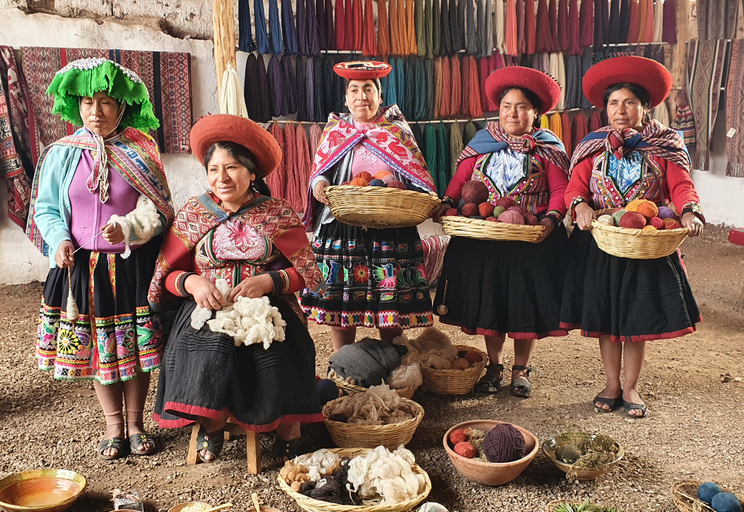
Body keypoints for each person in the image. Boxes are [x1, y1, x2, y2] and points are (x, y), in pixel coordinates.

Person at [149, 114, 325, 462]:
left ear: (252, 173)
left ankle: (288, 428)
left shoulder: (276, 213)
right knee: (208, 346)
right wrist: (193, 282)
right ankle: (211, 426)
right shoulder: (194, 213)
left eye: (231, 168)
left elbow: (307, 272)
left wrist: (269, 281)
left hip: (268, 305)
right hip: (206, 306)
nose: (222, 178)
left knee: (283, 347)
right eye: (214, 169)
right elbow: (165, 275)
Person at [26, 58, 174, 459]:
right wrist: (57, 238)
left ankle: (138, 424)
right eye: (88, 101)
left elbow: (158, 209)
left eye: (106, 102)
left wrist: (127, 228)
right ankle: (113, 427)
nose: (96, 111)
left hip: (128, 266)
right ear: (76, 104)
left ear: (122, 105)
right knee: (100, 348)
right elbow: (45, 209)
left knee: (134, 349)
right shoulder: (61, 153)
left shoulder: (141, 150)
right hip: (80, 269)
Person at [561, 56, 705, 418]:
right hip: (603, 244)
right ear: (604, 108)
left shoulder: (665, 144)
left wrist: (689, 210)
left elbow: (682, 186)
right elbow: (574, 187)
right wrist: (579, 206)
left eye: (628, 102)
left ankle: (631, 387)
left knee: (636, 320)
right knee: (607, 319)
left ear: (646, 107)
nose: (619, 110)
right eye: (613, 103)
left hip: (645, 246)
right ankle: (610, 384)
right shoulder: (592, 145)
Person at [431, 67, 571, 398]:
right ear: (499, 109)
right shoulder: (482, 144)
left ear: (535, 113)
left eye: (521, 106)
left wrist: (550, 221)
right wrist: (448, 202)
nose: (513, 113)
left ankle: (521, 369)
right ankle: (494, 366)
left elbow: (560, 190)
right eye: (507, 105)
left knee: (525, 306)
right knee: (490, 302)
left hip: (530, 241)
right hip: (483, 239)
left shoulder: (547, 148)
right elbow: (460, 180)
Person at [301, 61, 436, 352]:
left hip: (391, 224)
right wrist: (320, 186)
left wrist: (412, 193)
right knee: (344, 297)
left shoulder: (397, 131)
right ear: (346, 99)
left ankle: (396, 362)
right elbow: (320, 170)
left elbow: (416, 172)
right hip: (343, 222)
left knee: (391, 297)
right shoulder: (336, 131)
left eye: (368, 89)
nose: (362, 96)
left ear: (380, 97)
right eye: (354, 90)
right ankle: (342, 361)